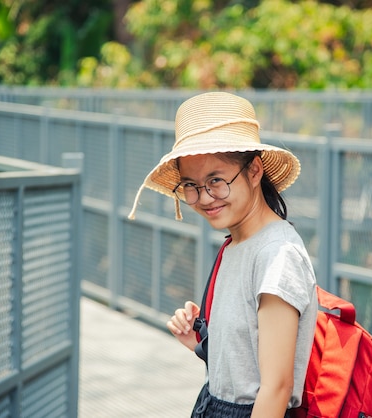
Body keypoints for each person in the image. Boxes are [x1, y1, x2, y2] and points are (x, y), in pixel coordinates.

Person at [128, 92, 317, 418]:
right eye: (191, 185)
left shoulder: (277, 254)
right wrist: (205, 344)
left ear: (255, 171)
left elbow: (276, 388)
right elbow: (249, 366)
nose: (204, 198)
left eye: (216, 180)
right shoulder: (237, 243)